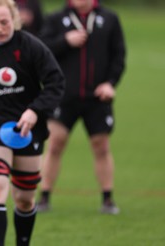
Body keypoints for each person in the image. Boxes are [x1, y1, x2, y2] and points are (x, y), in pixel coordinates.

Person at [0, 0, 65, 245]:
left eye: (4, 22)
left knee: (25, 199)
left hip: (27, 127)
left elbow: (55, 83)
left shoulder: (32, 47)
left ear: (14, 18)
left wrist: (35, 111)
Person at [36, 0, 126, 215]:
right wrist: (65, 41)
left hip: (97, 97)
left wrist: (110, 83)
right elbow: (41, 49)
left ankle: (107, 199)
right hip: (64, 96)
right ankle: (44, 197)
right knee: (55, 143)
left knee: (101, 146)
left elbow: (118, 56)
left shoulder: (110, 19)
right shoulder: (56, 19)